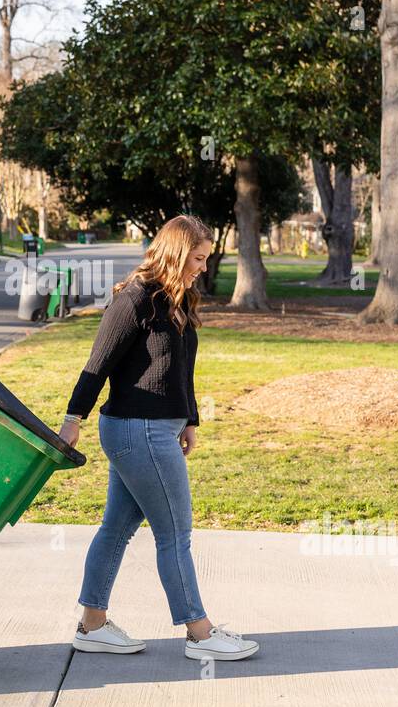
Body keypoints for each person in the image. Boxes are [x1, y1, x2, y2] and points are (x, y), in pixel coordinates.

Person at [58, 215, 259, 663]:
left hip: (156, 429)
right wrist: (72, 419)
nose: (203, 267)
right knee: (175, 534)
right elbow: (97, 365)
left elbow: (180, 369)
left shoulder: (178, 298)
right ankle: (200, 635)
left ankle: (92, 625)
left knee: (117, 528)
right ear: (176, 252)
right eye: (199, 258)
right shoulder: (134, 300)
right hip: (138, 431)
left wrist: (190, 420)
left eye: (207, 258)